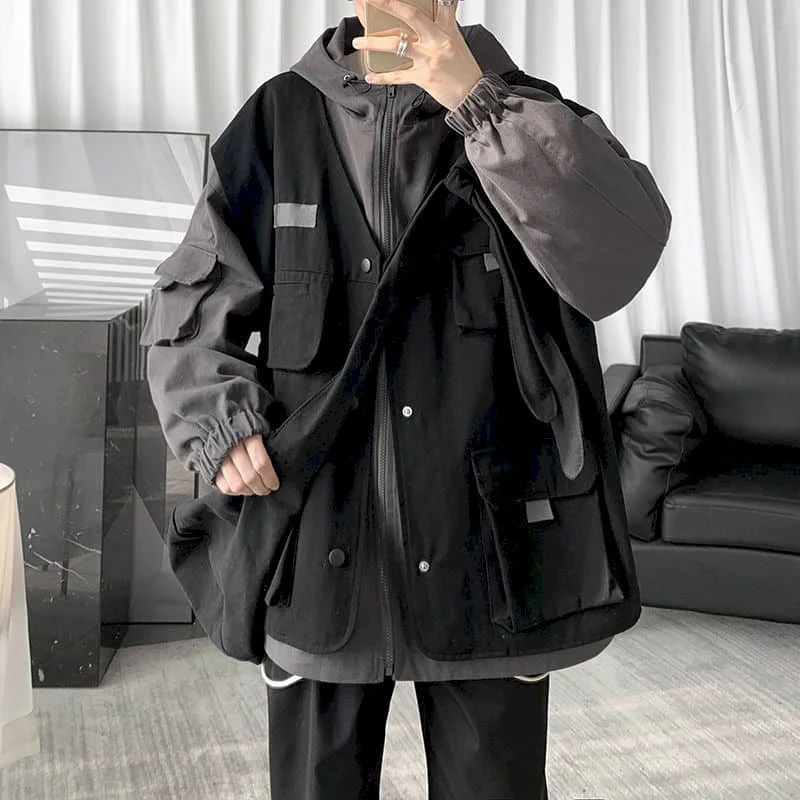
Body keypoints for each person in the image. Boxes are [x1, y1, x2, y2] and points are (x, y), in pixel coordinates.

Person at [140, 0, 672, 797]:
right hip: (316, 538)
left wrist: (477, 101)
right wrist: (217, 421)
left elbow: (619, 256)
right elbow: (192, 294)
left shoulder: (527, 112)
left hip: (490, 554)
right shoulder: (279, 119)